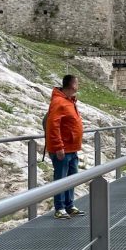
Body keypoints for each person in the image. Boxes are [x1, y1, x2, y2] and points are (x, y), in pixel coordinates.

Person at [46, 75, 84, 219]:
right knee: (61, 178)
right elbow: (53, 125)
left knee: (71, 178)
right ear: (73, 85)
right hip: (63, 149)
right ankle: (59, 208)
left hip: (72, 148)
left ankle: (69, 205)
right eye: (77, 82)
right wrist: (58, 146)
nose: (78, 85)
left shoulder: (69, 101)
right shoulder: (58, 101)